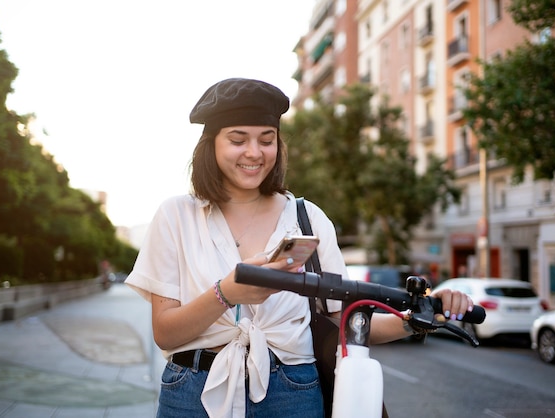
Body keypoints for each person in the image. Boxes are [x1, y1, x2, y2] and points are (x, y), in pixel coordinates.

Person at [125, 78, 473, 418]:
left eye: (267, 139)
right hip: (193, 391)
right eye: (237, 139)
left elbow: (343, 323)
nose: (254, 152)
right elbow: (165, 332)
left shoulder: (307, 218)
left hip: (292, 392)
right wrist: (228, 292)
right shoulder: (177, 216)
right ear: (211, 144)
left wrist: (417, 319)